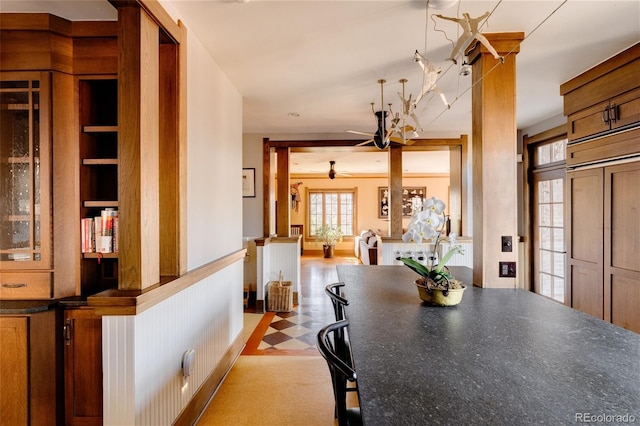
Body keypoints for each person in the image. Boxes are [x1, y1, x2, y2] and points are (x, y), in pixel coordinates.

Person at [435, 12, 504, 64]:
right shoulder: (461, 21)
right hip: (466, 34)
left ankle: (496, 56)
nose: (465, 17)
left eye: (466, 15)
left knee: (486, 43)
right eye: (464, 16)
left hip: (475, 33)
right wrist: (442, 17)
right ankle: (452, 57)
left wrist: (487, 14)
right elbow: (452, 19)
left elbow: (482, 17)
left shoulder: (475, 20)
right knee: (458, 45)